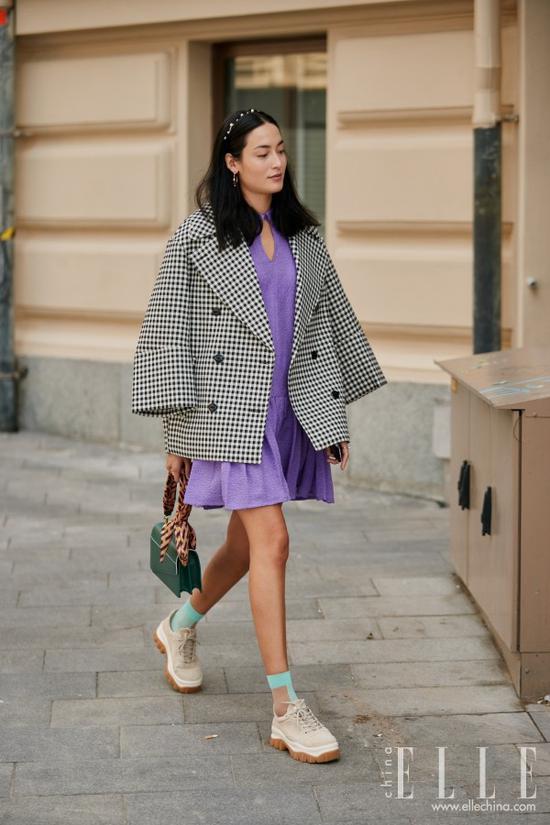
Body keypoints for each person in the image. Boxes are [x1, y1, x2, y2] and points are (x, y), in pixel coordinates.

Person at [133, 107, 387, 764]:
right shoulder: (197, 237)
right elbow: (170, 333)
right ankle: (285, 708)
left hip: (285, 412)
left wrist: (329, 420)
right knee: (273, 541)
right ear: (232, 163)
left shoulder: (303, 236)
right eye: (261, 152)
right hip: (227, 415)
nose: (276, 162)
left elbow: (328, 327)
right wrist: (178, 437)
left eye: (280, 150)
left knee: (246, 548)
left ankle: (179, 625)